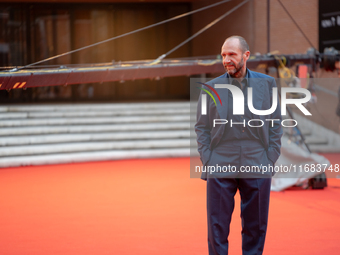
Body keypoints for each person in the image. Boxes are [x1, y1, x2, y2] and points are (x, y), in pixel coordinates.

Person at [195, 36, 282, 255]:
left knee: (256, 225)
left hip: (256, 158)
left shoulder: (267, 84)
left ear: (246, 55)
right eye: (223, 55)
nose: (226, 59)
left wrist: (269, 157)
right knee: (217, 226)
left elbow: (276, 124)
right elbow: (201, 127)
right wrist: (208, 159)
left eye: (231, 54)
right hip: (221, 159)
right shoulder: (210, 88)